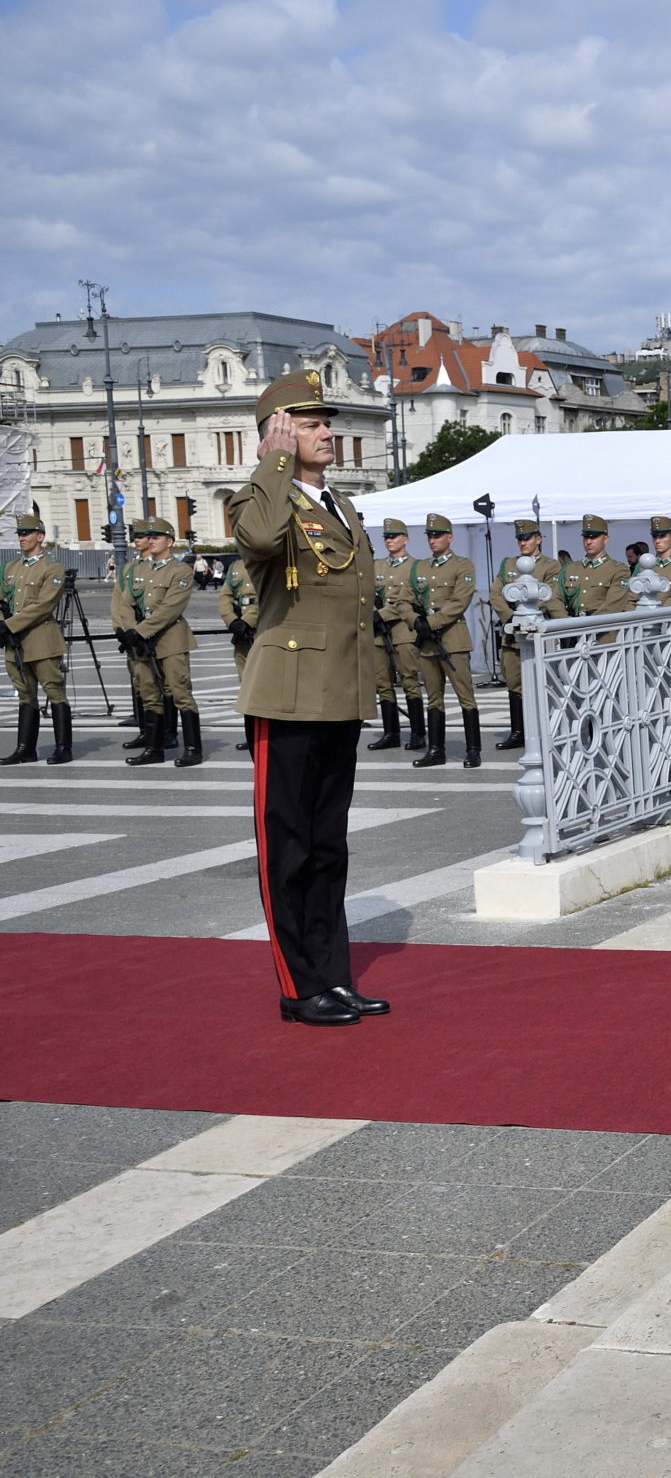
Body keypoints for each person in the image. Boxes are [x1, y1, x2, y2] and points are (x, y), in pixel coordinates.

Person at [235, 369, 390, 1028]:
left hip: (338, 695)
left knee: (329, 847)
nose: (327, 431)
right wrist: (272, 461)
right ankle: (298, 986)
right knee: (289, 847)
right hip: (289, 696)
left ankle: (333, 976)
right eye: (309, 423)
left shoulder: (341, 506)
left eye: (327, 421)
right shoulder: (260, 499)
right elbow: (264, 542)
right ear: (278, 431)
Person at [112, 516, 201, 767]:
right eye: (148, 537)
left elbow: (170, 609)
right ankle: (154, 749)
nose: (150, 541)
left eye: (156, 537)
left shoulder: (180, 571)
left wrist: (140, 631)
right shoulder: (139, 570)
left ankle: (193, 749)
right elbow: (126, 603)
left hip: (170, 639)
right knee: (149, 694)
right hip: (140, 641)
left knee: (180, 693)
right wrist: (130, 631)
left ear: (170, 542)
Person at [410, 513, 480, 768]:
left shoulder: (463, 565)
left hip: (452, 640)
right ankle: (435, 750)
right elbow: (406, 599)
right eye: (429, 535)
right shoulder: (420, 567)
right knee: (434, 697)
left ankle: (473, 749)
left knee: (465, 696)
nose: (432, 540)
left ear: (450, 537)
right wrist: (414, 621)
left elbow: (460, 602)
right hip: (427, 643)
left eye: (437, 535)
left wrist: (431, 622)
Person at [490, 518, 567, 749]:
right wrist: (510, 617)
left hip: (536, 632)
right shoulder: (508, 564)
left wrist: (528, 615)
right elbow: (496, 594)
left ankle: (544, 730)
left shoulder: (550, 566)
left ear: (538, 539)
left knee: (541, 683)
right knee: (513, 683)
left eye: (528, 538)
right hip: (513, 632)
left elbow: (550, 596)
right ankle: (518, 731)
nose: (523, 543)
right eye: (520, 539)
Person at [2, 512, 71, 765]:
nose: (21, 538)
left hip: (41, 638)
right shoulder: (11, 568)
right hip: (14, 642)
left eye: (26, 533)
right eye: (19, 534)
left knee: (54, 691)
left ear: (40, 537)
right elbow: (3, 599)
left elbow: (43, 606)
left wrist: (7, 625)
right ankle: (25, 748)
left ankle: (63, 747)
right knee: (25, 694)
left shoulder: (52, 568)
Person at [370, 518, 425, 752]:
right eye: (386, 537)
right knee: (383, 682)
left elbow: (408, 598)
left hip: (403, 627)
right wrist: (373, 614)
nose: (389, 541)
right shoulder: (376, 566)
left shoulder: (416, 566)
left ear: (406, 539)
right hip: (378, 630)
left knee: (409, 680)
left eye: (394, 537)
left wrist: (382, 614)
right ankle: (390, 732)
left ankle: (418, 732)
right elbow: (367, 593)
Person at [215, 504, 259, 752]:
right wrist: (231, 621)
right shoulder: (236, 567)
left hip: (260, 630)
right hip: (241, 633)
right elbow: (225, 596)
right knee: (246, 686)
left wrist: (248, 621)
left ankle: (266, 734)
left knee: (265, 686)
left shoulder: (267, 564)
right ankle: (251, 733)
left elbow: (268, 597)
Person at [562, 514, 634, 618]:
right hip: (571, 628)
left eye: (594, 537)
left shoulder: (619, 570)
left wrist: (587, 626)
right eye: (586, 537)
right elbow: (556, 600)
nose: (588, 542)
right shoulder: (570, 569)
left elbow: (613, 606)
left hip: (602, 629)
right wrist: (566, 622)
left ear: (606, 539)